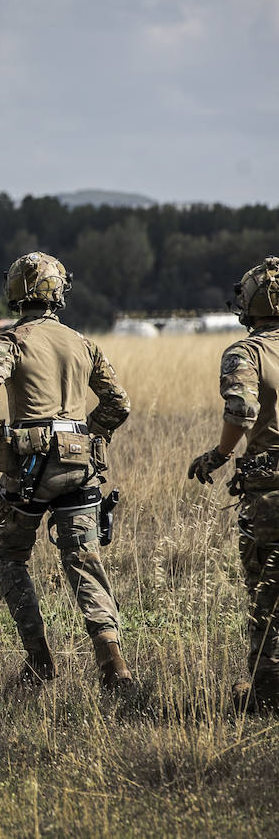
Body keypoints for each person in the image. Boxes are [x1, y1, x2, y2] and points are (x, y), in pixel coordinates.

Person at [0, 252, 132, 690]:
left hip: (28, 470)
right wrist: (87, 435)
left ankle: (39, 661)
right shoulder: (83, 342)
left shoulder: (11, 341)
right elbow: (120, 402)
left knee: (9, 556)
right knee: (84, 561)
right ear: (59, 291)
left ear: (16, 292)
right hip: (81, 467)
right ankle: (113, 665)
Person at [189, 256, 279, 712]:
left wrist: (219, 456)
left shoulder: (246, 353)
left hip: (270, 492)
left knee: (267, 591)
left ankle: (267, 693)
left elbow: (241, 412)